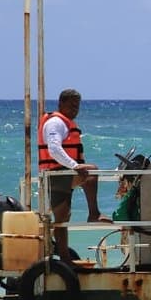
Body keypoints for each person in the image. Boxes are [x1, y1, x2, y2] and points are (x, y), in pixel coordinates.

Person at [38, 88, 110, 261]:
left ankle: (65, 259)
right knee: (91, 171)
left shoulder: (66, 123)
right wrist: (75, 165)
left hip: (61, 174)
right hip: (57, 174)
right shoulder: (55, 123)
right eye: (71, 106)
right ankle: (94, 213)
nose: (74, 110)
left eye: (77, 106)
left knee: (62, 218)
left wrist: (74, 167)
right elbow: (54, 149)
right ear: (60, 103)